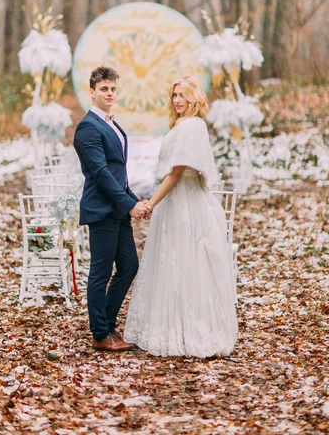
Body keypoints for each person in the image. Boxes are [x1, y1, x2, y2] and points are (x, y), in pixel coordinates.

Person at [124, 75, 238, 358]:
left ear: (194, 98)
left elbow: (176, 173)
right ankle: (169, 325)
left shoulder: (193, 126)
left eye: (183, 95)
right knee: (171, 262)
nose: (177, 100)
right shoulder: (183, 124)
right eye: (174, 94)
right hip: (176, 201)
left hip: (185, 201)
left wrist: (150, 202)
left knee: (189, 262)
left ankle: (192, 330)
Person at [74, 66, 148, 352]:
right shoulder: (87, 128)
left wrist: (132, 198)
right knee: (100, 273)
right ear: (92, 92)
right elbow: (101, 173)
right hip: (102, 210)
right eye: (104, 89)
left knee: (129, 266)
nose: (109, 93)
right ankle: (101, 334)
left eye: (113, 89)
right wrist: (128, 205)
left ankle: (105, 321)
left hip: (117, 208)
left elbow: (118, 173)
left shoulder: (112, 125)